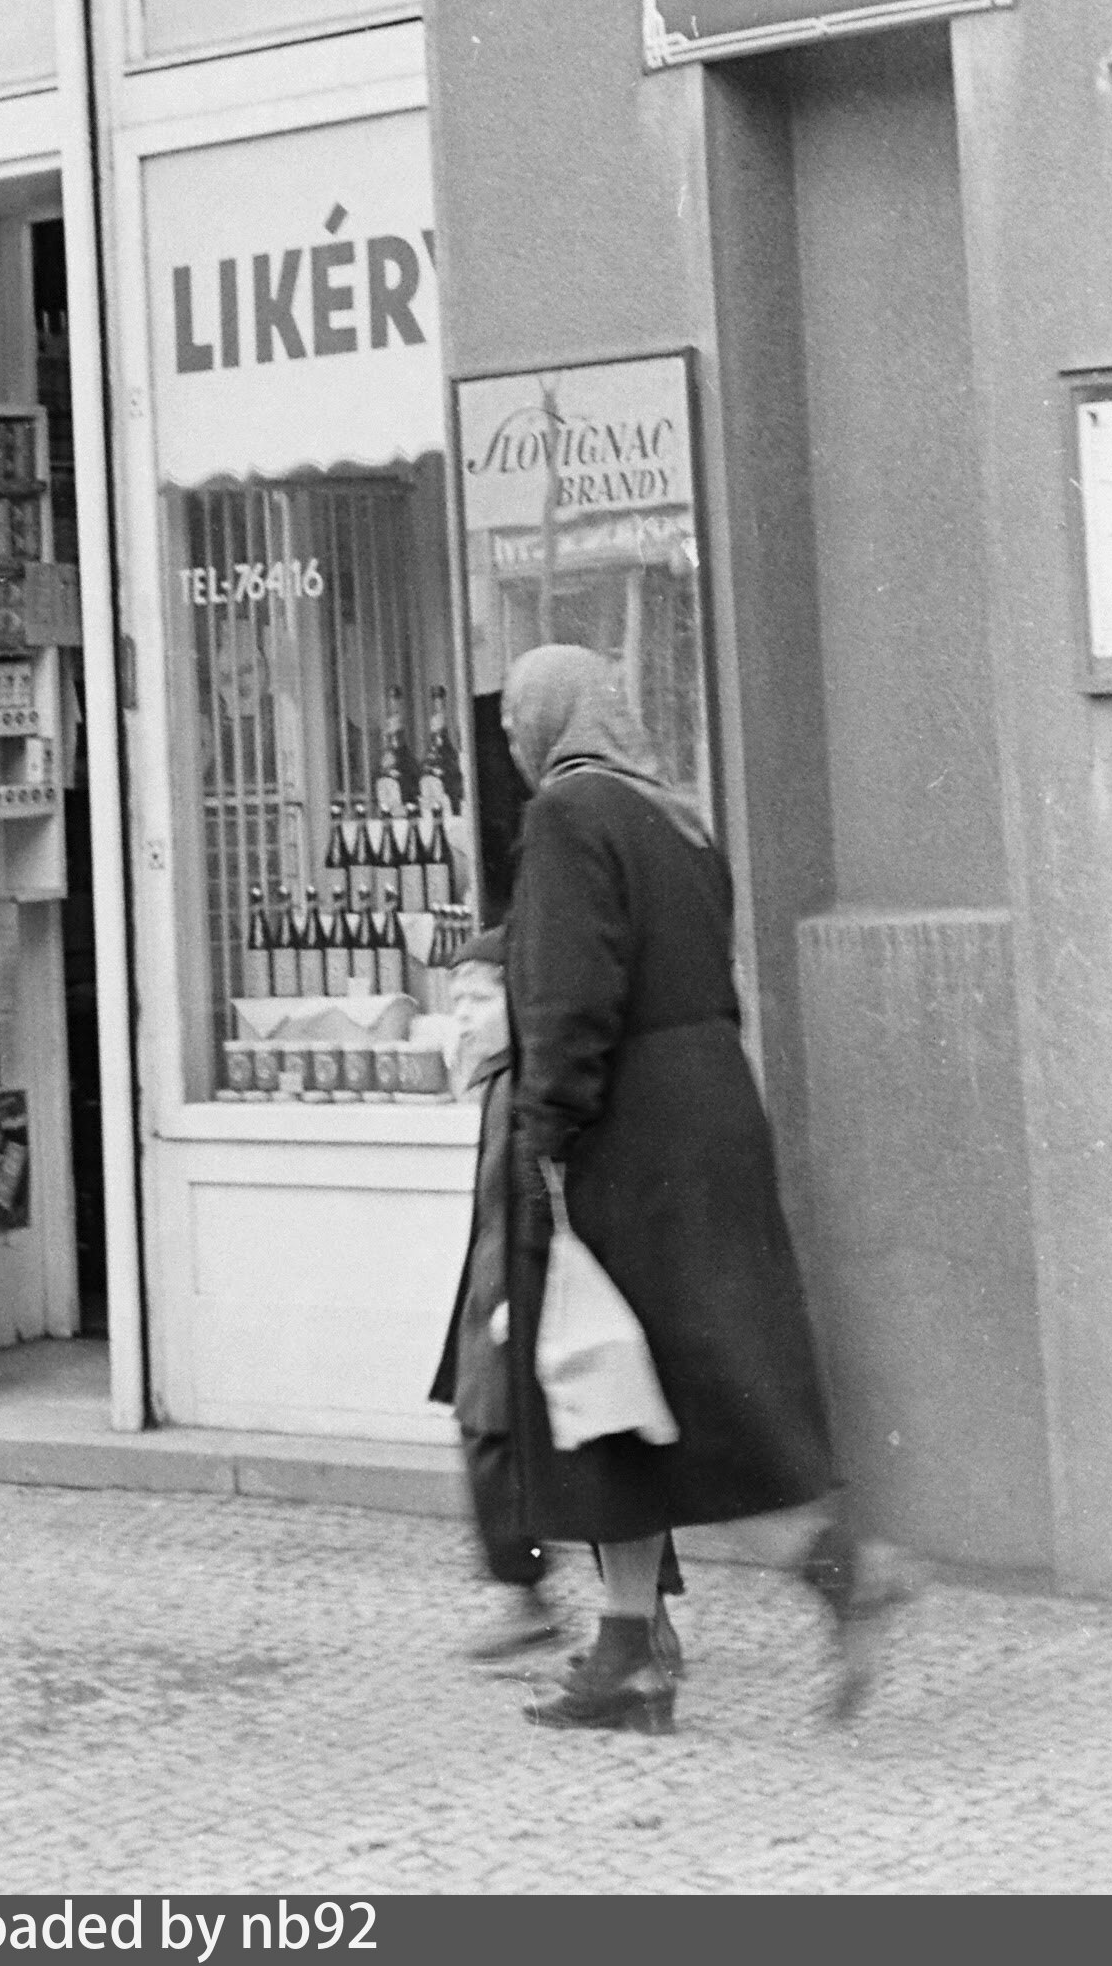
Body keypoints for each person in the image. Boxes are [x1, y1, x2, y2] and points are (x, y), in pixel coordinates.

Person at [495, 643, 911, 1734]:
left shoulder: (566, 816)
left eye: (514, 722)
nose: (512, 743)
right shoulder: (675, 817)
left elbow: (570, 995)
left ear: (548, 719)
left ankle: (842, 1574)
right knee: (655, 1392)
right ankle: (628, 1651)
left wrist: (545, 1134)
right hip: (710, 1111)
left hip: (626, 1136)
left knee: (635, 1388)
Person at [429, 699, 682, 1672]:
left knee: (578, 1433)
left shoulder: (528, 1089)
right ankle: (603, 1611)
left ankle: (585, 1612)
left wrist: (505, 1300)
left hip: (530, 1281)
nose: (462, 1020)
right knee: (582, 1433)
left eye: (479, 1000)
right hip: (517, 1285)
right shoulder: (505, 1082)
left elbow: (522, 1193)